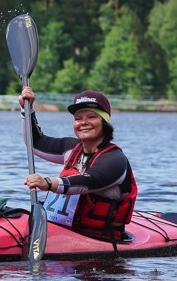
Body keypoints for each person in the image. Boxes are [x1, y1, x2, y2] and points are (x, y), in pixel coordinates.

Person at [20, 86, 138, 243]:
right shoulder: (71, 147)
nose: (84, 123)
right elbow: (34, 142)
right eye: (78, 118)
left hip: (101, 240)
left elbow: (86, 182)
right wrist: (27, 109)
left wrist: (48, 183)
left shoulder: (115, 160)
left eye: (91, 117)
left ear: (104, 121)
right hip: (65, 232)